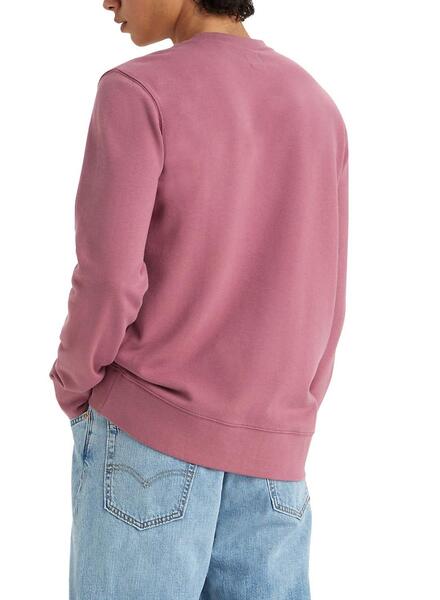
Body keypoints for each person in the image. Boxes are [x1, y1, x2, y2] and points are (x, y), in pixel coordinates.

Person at [49, 1, 349, 598]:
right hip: (276, 457)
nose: (107, 1)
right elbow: (329, 295)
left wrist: (74, 382)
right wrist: (292, 417)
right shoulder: (317, 105)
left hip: (146, 438)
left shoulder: (136, 91)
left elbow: (110, 276)